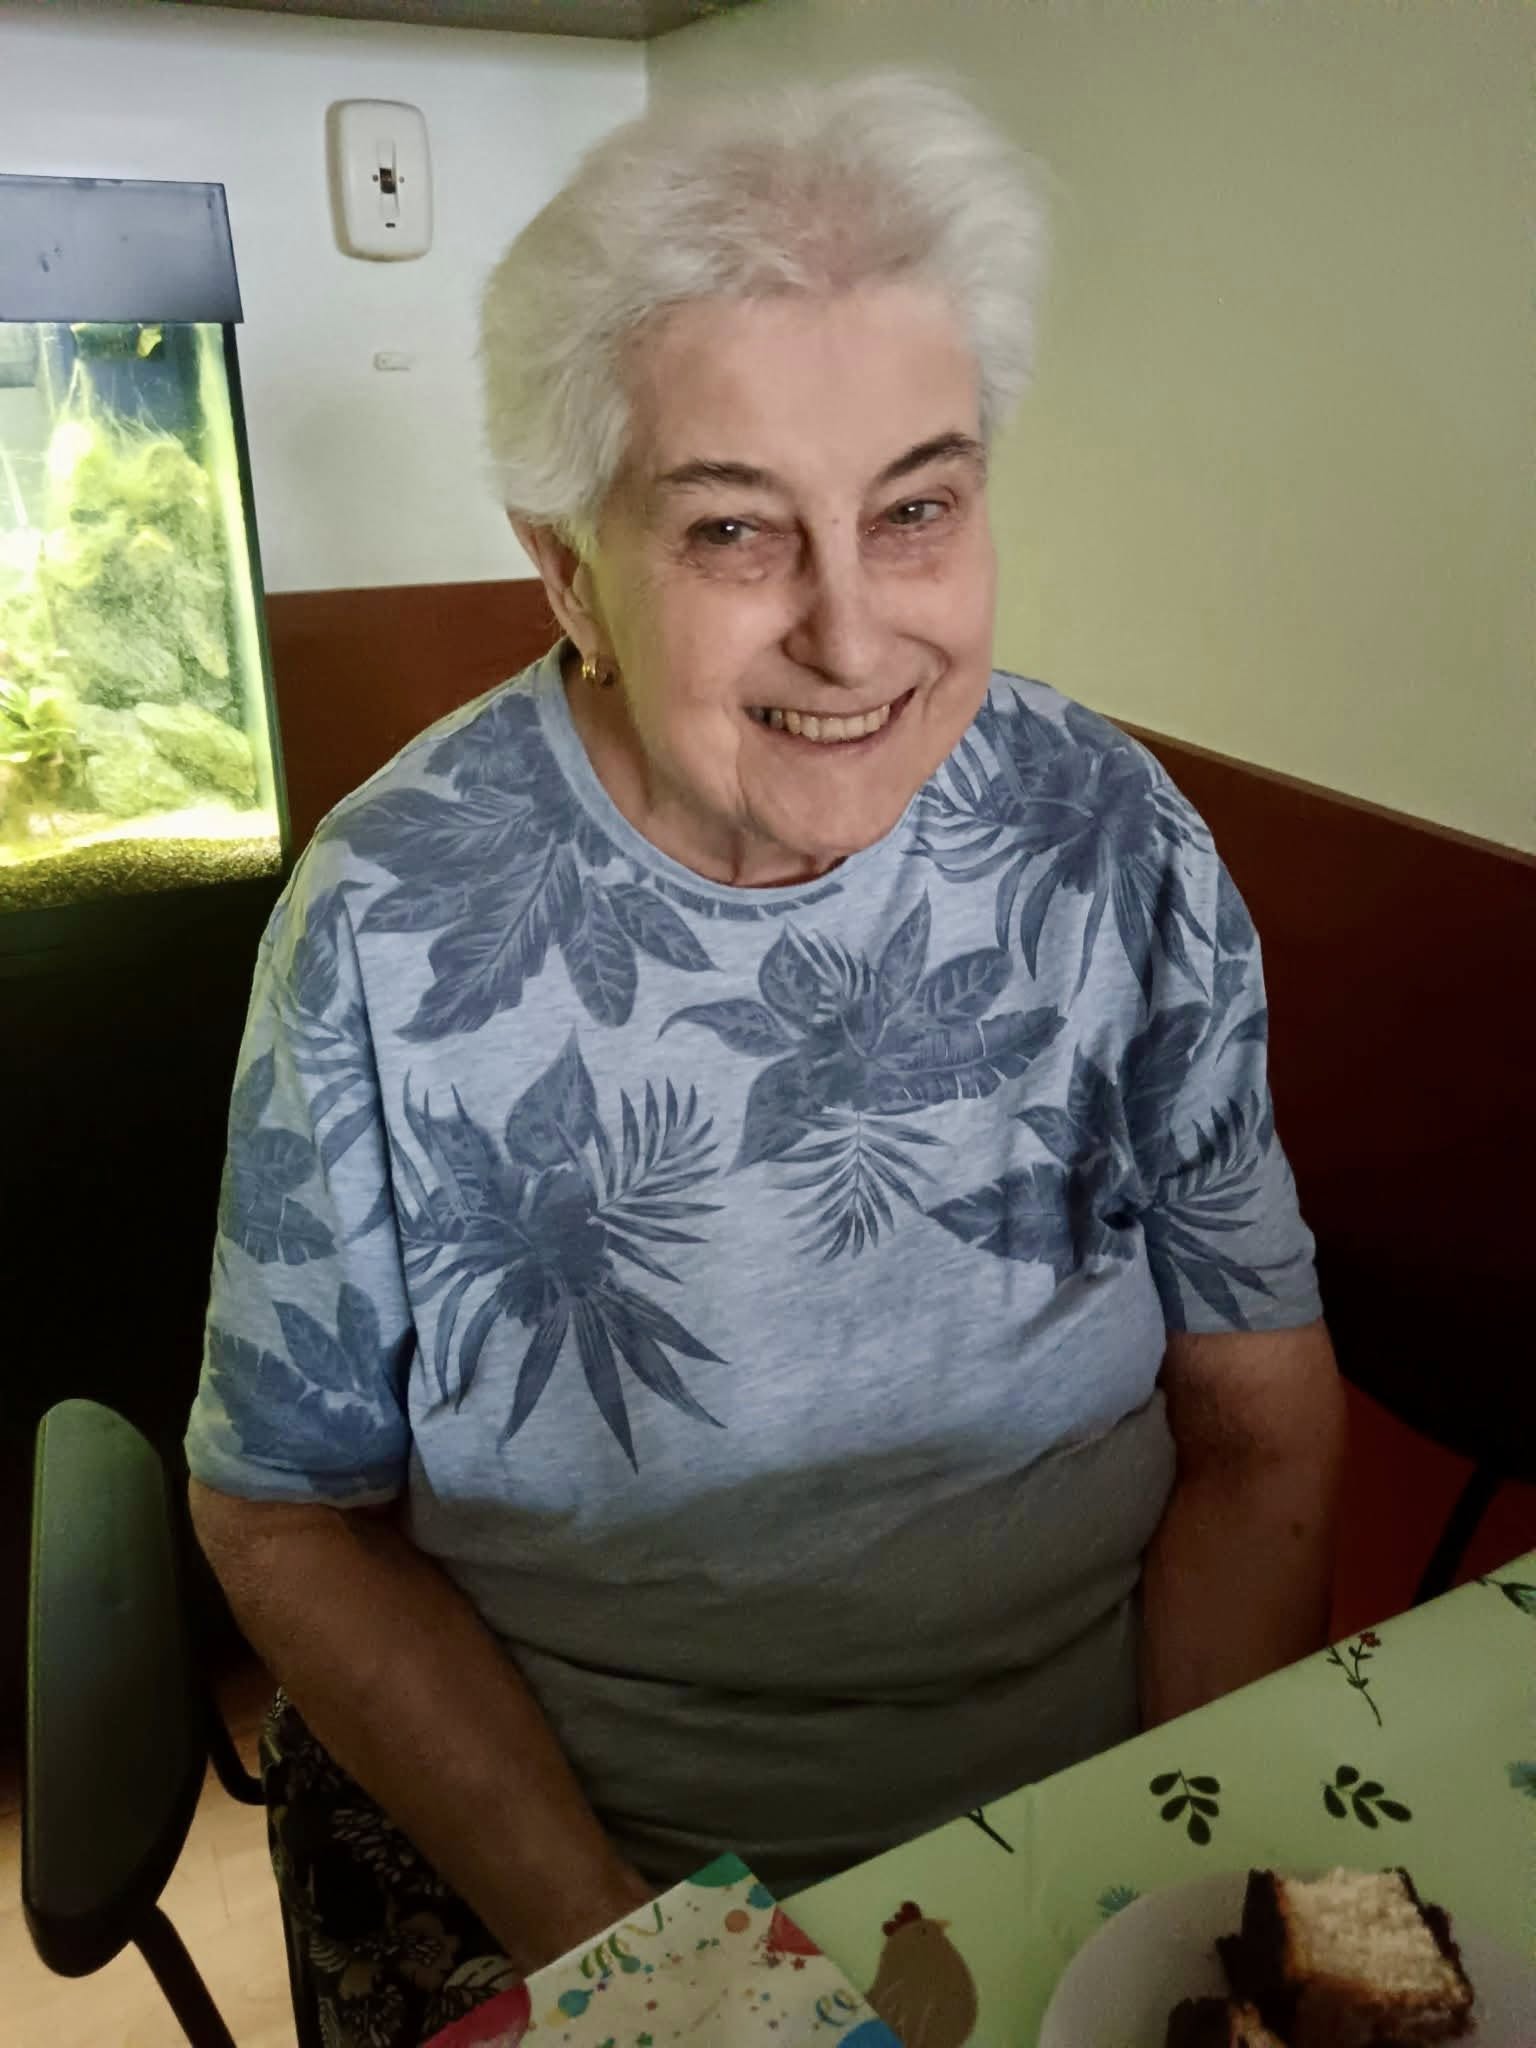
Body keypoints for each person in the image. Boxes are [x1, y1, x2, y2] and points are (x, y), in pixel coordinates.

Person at [187, 72, 1346, 2048]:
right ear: (570, 570)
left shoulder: (1113, 841)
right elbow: (283, 1510)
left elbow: (1257, 1422)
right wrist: (652, 1966)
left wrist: (1169, 1861)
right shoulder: (388, 919)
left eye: (917, 508)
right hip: (581, 1853)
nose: (854, 635)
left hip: (1086, 1782)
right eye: (736, 529)